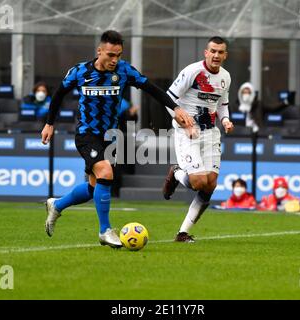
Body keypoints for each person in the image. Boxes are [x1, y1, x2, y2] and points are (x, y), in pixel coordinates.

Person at [41, 30, 193, 248]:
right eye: (110, 55)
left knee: (95, 188)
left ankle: (57, 204)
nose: (114, 60)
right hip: (86, 134)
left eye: (118, 55)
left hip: (109, 137)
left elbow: (152, 89)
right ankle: (105, 231)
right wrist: (49, 123)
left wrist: (176, 108)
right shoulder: (80, 71)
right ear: (99, 51)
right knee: (106, 172)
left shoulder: (124, 71)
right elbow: (58, 95)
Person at [162, 36, 234, 242]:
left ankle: (182, 233)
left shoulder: (226, 77)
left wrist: (226, 119)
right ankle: (176, 172)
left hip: (211, 132)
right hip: (188, 132)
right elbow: (168, 99)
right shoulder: (192, 72)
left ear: (225, 55)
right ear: (206, 52)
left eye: (220, 52)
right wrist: (184, 122)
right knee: (197, 181)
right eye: (213, 51)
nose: (216, 55)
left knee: (210, 184)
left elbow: (222, 104)